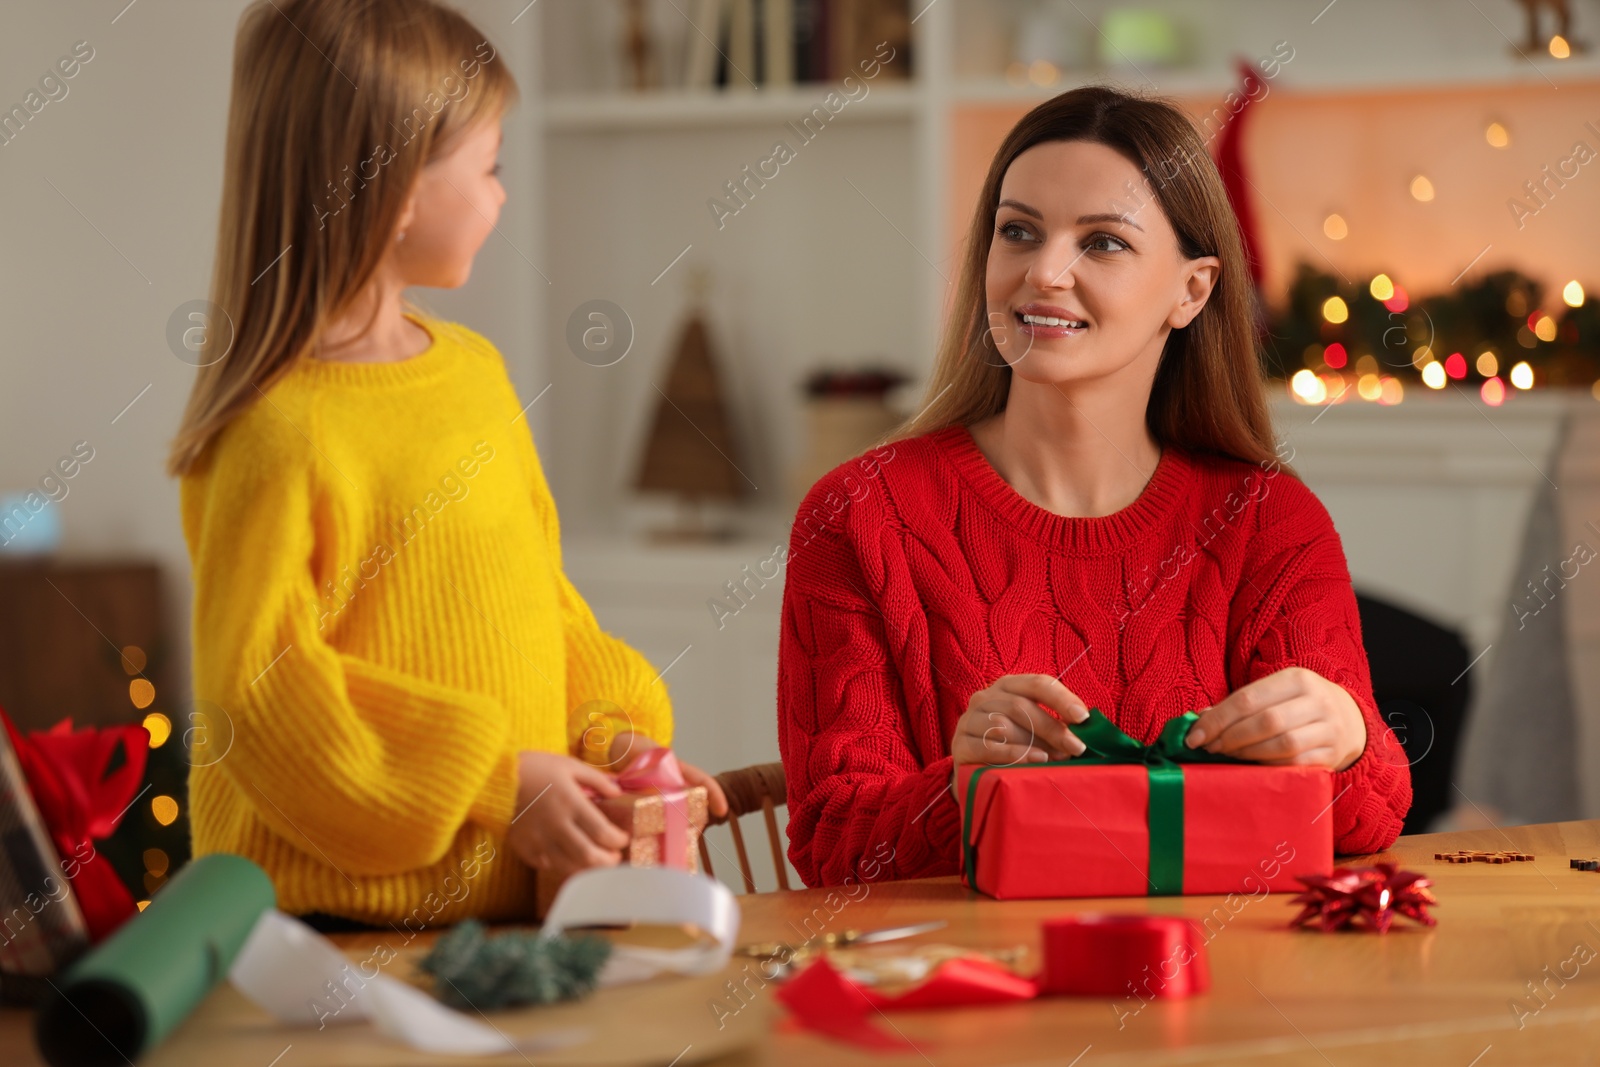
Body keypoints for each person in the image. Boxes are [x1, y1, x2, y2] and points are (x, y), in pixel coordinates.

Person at [169, 0, 724, 926]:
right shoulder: (275, 430)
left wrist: (612, 734)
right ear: (394, 194)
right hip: (338, 942)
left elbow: (540, 600)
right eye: (490, 166)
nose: (503, 194)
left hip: (499, 919)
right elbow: (261, 697)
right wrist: (500, 781)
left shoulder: (473, 373)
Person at [778, 85, 1411, 888]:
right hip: (962, 995)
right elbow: (832, 846)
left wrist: (1348, 737)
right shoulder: (856, 517)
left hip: (1220, 991)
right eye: (1018, 232)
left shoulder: (1273, 522)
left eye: (1103, 243)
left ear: (1192, 290)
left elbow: (1367, 820)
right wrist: (963, 789)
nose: (1043, 272)